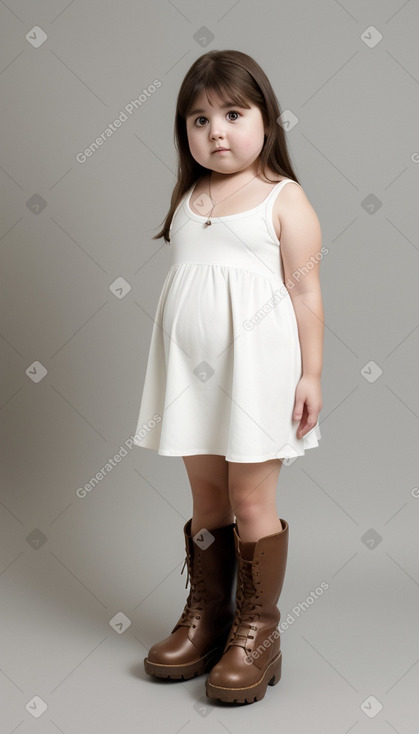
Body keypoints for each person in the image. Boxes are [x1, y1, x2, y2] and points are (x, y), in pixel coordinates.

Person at [133, 49, 325, 704]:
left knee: (249, 502)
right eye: (198, 119)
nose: (216, 130)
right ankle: (208, 615)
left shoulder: (282, 198)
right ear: (184, 133)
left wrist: (312, 374)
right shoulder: (189, 199)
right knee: (207, 504)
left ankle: (257, 629)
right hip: (192, 379)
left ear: (265, 122)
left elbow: (305, 295)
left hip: (258, 379)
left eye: (233, 114)